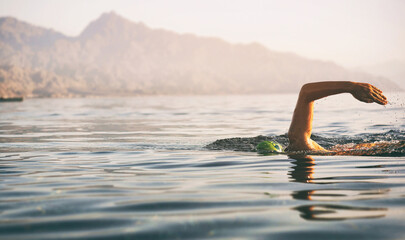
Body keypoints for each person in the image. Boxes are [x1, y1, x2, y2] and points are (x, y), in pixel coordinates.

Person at [287, 81, 387, 152]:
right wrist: (352, 87)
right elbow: (306, 92)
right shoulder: (299, 144)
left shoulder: (300, 145)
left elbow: (306, 92)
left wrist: (352, 87)